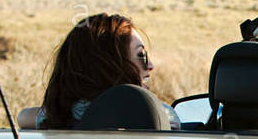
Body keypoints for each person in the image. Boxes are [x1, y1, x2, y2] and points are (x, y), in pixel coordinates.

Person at [33, 13, 179, 129]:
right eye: (141, 55)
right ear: (108, 65)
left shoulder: (56, 122)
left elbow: (26, 116)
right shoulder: (160, 118)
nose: (151, 65)